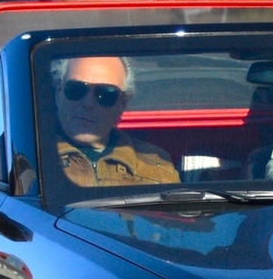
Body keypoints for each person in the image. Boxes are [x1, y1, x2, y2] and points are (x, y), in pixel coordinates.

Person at [51, 55, 180, 186]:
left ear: (122, 104)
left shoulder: (157, 169)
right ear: (58, 94)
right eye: (76, 89)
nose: (88, 103)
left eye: (106, 94)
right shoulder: (33, 160)